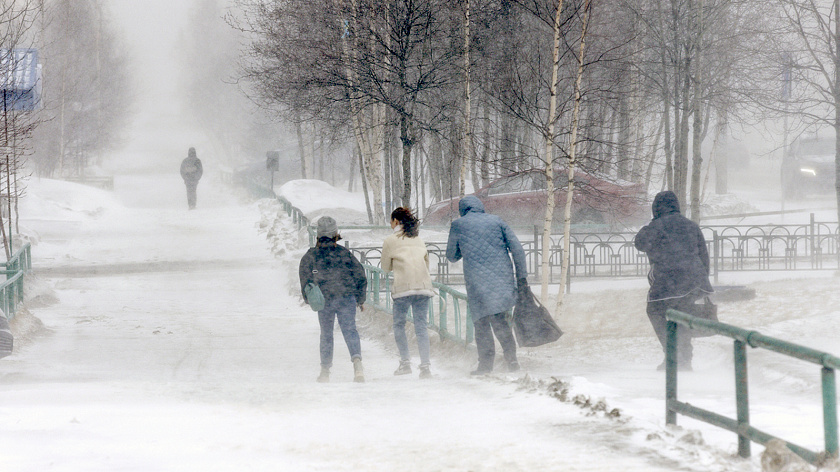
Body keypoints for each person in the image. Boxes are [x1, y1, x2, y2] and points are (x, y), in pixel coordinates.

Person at [445, 195, 527, 375]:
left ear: (463, 209)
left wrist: (464, 249)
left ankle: (485, 366)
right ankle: (512, 361)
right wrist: (522, 278)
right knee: (501, 321)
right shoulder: (497, 221)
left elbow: (451, 255)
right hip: (502, 280)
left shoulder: (458, 225)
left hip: (477, 284)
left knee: (481, 324)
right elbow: (518, 249)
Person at [634, 190, 713, 371]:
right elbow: (703, 256)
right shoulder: (691, 226)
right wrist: (701, 280)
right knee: (682, 317)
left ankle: (672, 356)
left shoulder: (656, 226)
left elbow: (639, 243)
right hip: (693, 281)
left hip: (667, 282)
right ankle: (684, 359)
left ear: (656, 208)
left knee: (656, 312)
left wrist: (653, 223)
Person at [299, 216, 368, 383]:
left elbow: (305, 277)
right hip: (346, 297)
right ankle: (357, 364)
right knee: (350, 330)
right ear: (335, 234)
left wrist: (308, 297)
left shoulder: (311, 255)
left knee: (326, 334)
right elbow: (360, 275)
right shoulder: (344, 254)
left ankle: (325, 371)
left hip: (325, 300)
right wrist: (360, 298)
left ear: (318, 235)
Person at [381, 207, 435, 379]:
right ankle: (425, 366)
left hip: (403, 289)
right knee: (421, 327)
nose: (390, 225)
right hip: (423, 287)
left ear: (396, 221)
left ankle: (405, 363)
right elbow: (426, 263)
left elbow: (385, 268)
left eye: (391, 221)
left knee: (398, 325)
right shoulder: (418, 239)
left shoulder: (390, 240)